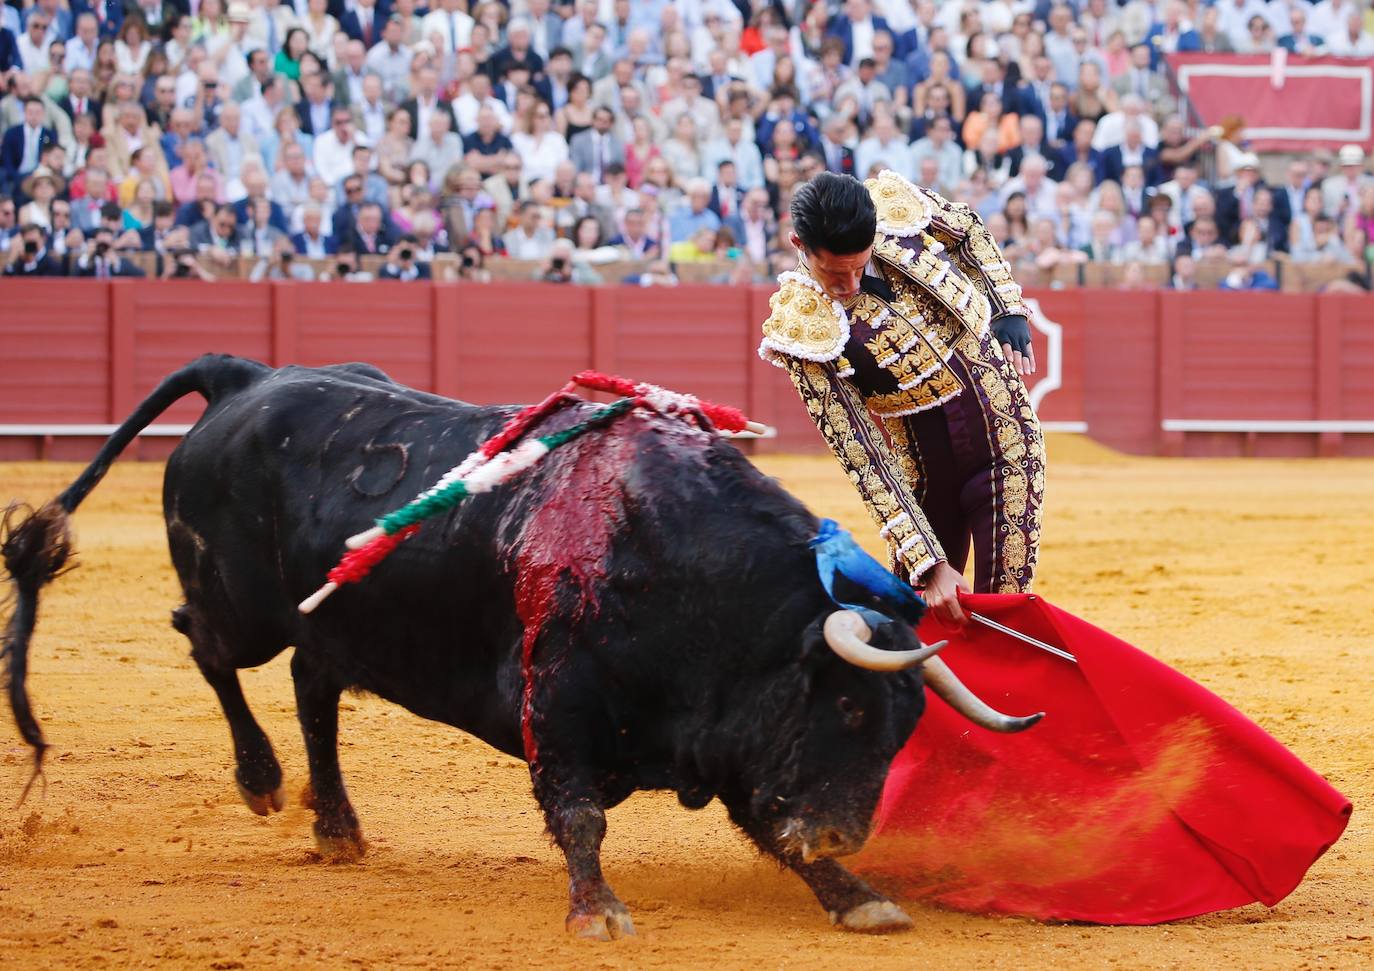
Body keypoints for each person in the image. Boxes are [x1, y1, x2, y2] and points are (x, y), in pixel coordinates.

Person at [760, 171, 1044, 623]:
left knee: (1003, 613)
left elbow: (967, 228)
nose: (849, 285)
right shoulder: (803, 325)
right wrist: (928, 563)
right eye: (835, 272)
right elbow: (863, 456)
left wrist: (1006, 303)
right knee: (912, 623)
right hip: (924, 476)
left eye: (858, 266)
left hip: (1006, 432)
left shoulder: (896, 208)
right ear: (799, 244)